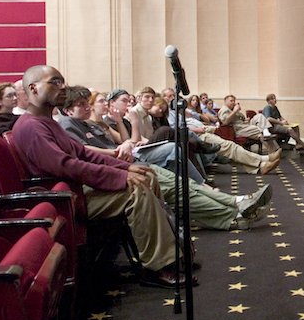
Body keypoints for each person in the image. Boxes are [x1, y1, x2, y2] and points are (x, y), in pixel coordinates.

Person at [13, 65, 189, 288]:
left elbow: (83, 153)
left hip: (75, 188)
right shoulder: (31, 127)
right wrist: (118, 178)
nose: (63, 87)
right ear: (33, 88)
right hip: (63, 198)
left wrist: (125, 168)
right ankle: (157, 266)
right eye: (54, 82)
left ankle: (173, 251)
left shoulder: (48, 122)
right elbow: (65, 165)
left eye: (62, 81)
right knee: (137, 192)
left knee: (146, 175)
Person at [58, 86, 272, 231]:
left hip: (128, 163)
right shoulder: (68, 125)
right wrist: (117, 150)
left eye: (88, 103)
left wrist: (122, 132)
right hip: (118, 171)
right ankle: (233, 216)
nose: (88, 107)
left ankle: (237, 202)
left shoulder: (93, 124)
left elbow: (126, 142)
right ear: (67, 110)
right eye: (82, 104)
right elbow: (83, 150)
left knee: (184, 183)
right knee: (176, 186)